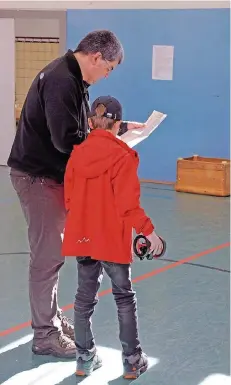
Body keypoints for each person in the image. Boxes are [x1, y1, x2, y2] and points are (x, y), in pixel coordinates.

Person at [7, 30, 145, 358]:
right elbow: (67, 140)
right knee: (47, 258)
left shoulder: (72, 78)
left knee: (52, 256)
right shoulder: (61, 80)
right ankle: (45, 335)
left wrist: (118, 129)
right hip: (39, 178)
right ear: (96, 57)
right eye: (109, 68)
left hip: (49, 177)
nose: (107, 75)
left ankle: (50, 319)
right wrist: (111, 151)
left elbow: (79, 124)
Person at [62, 96, 163, 378]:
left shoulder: (76, 155)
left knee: (83, 299)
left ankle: (84, 358)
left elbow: (69, 199)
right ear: (118, 124)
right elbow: (128, 204)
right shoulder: (123, 156)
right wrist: (149, 231)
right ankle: (132, 361)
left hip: (84, 237)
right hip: (110, 239)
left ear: (92, 122)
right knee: (123, 297)